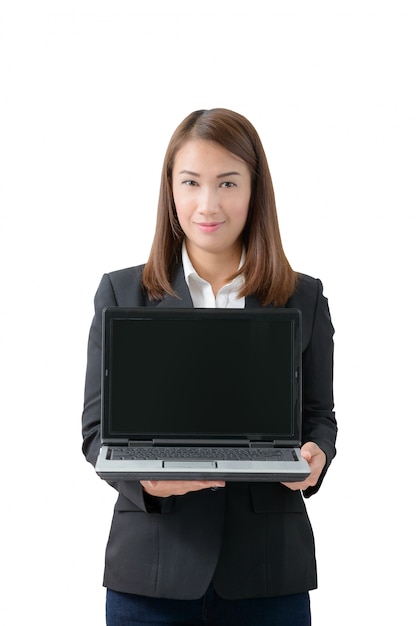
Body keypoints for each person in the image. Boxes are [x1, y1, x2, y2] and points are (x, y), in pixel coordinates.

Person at [82, 108, 337, 626]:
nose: (208, 203)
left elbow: (319, 416)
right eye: (191, 182)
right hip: (151, 571)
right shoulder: (122, 292)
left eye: (228, 182)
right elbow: (94, 434)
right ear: (170, 191)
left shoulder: (303, 297)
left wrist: (316, 456)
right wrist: (147, 486)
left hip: (268, 575)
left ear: (254, 191)